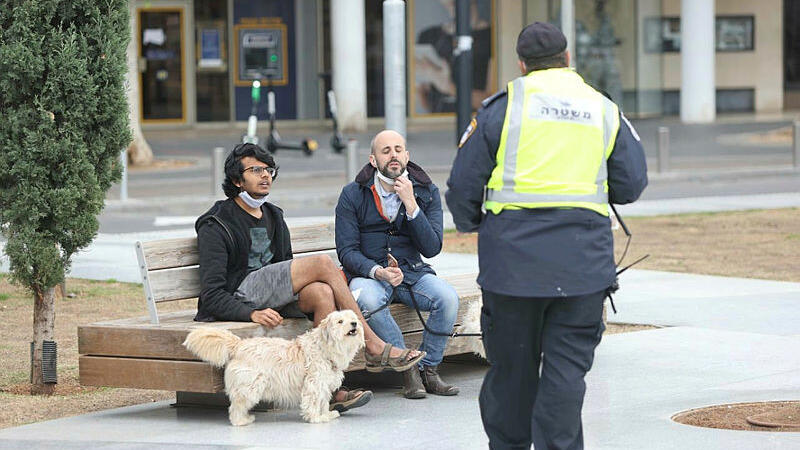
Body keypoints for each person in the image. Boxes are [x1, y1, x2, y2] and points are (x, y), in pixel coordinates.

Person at [446, 22, 648, 450]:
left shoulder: (503, 107)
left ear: (522, 64)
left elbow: (462, 187)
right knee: (565, 375)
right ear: (567, 58)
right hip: (581, 268)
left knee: (512, 375)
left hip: (512, 269)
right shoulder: (601, 107)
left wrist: (479, 227)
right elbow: (631, 185)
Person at [195, 142, 426, 413]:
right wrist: (251, 314)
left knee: (321, 292)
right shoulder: (216, 222)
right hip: (241, 294)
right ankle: (372, 343)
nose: (265, 175)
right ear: (237, 180)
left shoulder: (273, 215)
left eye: (268, 169)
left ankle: (327, 389)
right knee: (322, 263)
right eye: (256, 170)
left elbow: (287, 271)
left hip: (274, 295)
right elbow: (211, 293)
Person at [335, 130, 460, 399]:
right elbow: (346, 251)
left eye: (398, 149)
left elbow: (432, 248)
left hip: (412, 273)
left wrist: (411, 204)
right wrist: (377, 271)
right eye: (385, 151)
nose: (393, 155)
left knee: (448, 298)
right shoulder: (353, 194)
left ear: (407, 156)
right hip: (369, 273)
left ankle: (429, 368)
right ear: (373, 159)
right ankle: (408, 369)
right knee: (367, 300)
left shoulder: (426, 192)